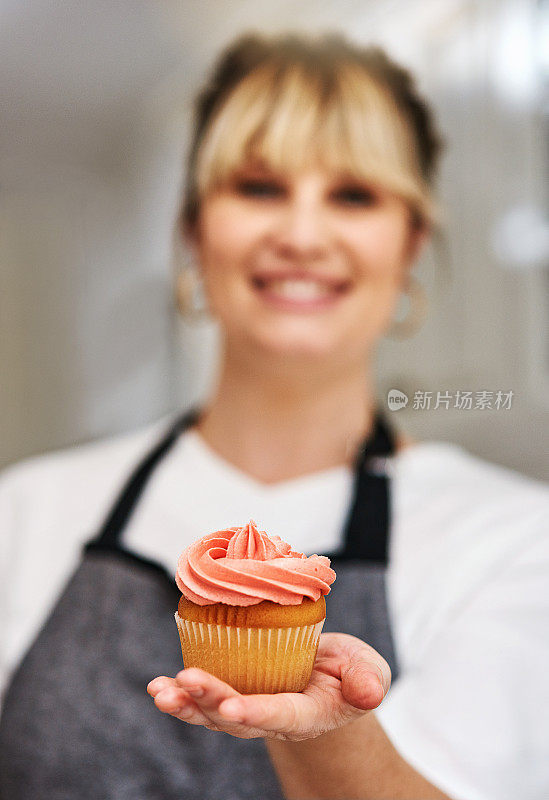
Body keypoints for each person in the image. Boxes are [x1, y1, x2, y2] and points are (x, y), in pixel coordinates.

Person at [0, 31, 548, 800]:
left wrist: (325, 731)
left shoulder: (513, 538)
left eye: (353, 195)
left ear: (410, 242)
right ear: (194, 228)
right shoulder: (25, 511)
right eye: (258, 187)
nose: (300, 234)